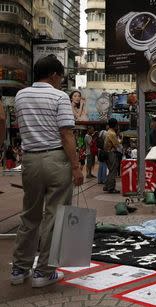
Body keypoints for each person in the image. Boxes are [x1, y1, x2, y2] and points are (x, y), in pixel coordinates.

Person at [11, 54, 84, 288]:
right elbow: (66, 134)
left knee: (29, 215)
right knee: (54, 216)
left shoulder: (20, 95)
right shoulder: (59, 96)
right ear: (54, 75)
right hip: (55, 160)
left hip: (30, 161)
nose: (61, 81)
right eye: (61, 77)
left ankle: (20, 269)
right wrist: (76, 166)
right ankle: (43, 272)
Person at [103, 118, 121, 193]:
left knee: (111, 170)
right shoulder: (112, 133)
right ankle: (111, 188)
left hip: (107, 153)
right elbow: (117, 144)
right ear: (115, 125)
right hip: (111, 153)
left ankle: (107, 186)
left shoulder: (108, 132)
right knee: (113, 170)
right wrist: (121, 139)